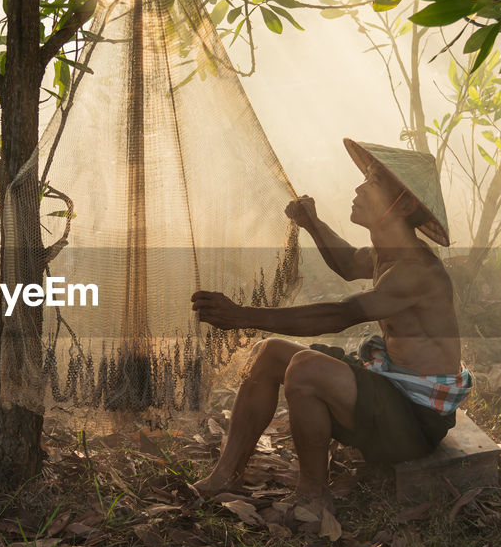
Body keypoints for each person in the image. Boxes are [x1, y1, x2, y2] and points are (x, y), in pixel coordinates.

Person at [190, 138, 472, 516]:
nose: (358, 188)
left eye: (372, 182)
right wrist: (312, 223)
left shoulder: (416, 272)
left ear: (403, 204)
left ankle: (312, 496)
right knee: (271, 352)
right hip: (390, 391)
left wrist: (241, 315)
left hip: (415, 421)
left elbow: (341, 315)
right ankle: (225, 474)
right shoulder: (385, 253)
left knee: (306, 369)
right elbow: (347, 262)